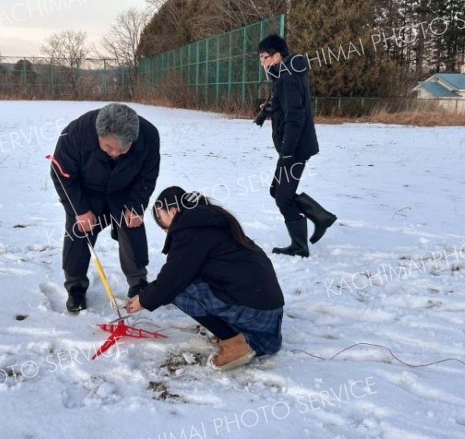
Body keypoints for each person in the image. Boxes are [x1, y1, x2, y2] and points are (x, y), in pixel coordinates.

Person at [125, 186, 285, 371]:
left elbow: (173, 279)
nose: (164, 229)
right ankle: (238, 333)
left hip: (256, 314)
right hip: (270, 314)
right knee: (185, 280)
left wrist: (144, 299)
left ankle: (234, 343)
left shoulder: (191, 230)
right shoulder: (210, 220)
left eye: (162, 220)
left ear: (173, 211)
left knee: (178, 289)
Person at [50, 103, 160, 312]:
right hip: (86, 192)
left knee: (132, 226)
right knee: (78, 232)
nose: (116, 153)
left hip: (125, 190)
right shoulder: (76, 133)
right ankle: (75, 286)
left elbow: (148, 174)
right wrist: (79, 210)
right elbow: (61, 175)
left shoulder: (149, 135)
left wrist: (136, 205)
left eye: (123, 148)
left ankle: (138, 282)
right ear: (99, 134)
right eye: (109, 147)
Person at [256, 34, 336, 258]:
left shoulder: (288, 77)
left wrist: (288, 152)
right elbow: (291, 107)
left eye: (265, 58)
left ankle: (304, 240)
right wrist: (272, 108)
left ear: (277, 56)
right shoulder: (287, 74)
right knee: (277, 191)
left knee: (282, 196)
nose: (263, 63)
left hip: (296, 149)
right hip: (294, 147)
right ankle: (320, 217)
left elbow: (296, 117)